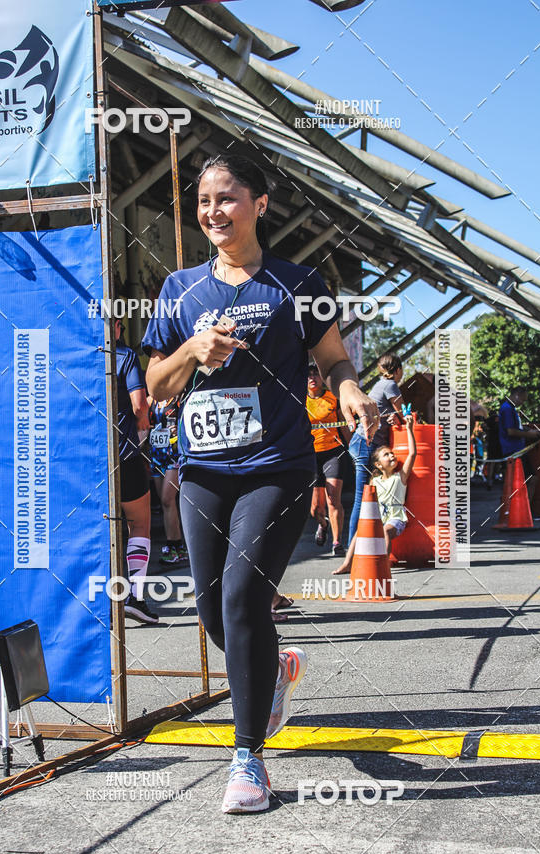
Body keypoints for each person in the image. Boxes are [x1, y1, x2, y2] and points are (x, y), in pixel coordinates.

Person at [142, 154, 378, 814]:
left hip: (278, 466)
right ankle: (274, 669)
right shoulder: (179, 290)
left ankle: (248, 759)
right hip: (204, 471)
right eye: (204, 201)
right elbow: (156, 384)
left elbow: (334, 360)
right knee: (213, 611)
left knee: (245, 598)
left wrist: (350, 391)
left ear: (260, 204)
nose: (212, 211)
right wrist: (192, 351)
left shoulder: (299, 284)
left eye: (227, 197)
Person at [338, 352, 404, 574]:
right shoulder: (390, 385)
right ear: (397, 370)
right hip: (366, 444)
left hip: (361, 443)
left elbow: (389, 414)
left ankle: (356, 550)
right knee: (362, 498)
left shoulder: (379, 384)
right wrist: (402, 417)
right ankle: (352, 553)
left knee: (366, 498)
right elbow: (404, 412)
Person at [114, 320, 159, 625]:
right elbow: (140, 406)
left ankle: (100, 600)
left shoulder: (76, 352)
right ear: (117, 325)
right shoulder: (125, 355)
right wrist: (143, 423)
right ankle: (135, 597)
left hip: (87, 459)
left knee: (98, 529)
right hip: (124, 453)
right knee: (139, 523)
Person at [334, 414, 416, 572]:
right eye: (386, 455)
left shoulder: (400, 477)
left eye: (392, 453)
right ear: (378, 464)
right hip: (380, 518)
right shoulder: (374, 481)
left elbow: (412, 454)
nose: (392, 455)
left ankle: (383, 564)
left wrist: (409, 429)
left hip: (396, 518)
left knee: (385, 531)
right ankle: (348, 563)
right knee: (359, 531)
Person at [306, 363, 347, 555]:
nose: (312, 378)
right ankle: (323, 524)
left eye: (316, 374)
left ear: (322, 378)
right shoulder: (301, 400)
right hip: (311, 455)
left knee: (333, 500)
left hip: (333, 452)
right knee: (315, 508)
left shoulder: (333, 398)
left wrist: (353, 448)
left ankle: (337, 543)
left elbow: (344, 424)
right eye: (309, 375)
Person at [148, 395, 188, 565]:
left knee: (167, 499)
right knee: (166, 504)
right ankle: (178, 547)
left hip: (174, 455)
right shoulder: (151, 400)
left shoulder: (178, 397)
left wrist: (179, 429)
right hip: (156, 455)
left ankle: (173, 545)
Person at [499, 387, 540, 509]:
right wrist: (530, 435)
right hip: (514, 450)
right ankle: (523, 511)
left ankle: (519, 510)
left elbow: (516, 428)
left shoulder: (509, 408)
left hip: (516, 450)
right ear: (517, 395)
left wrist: (528, 430)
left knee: (525, 481)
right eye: (523, 399)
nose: (522, 403)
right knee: (531, 480)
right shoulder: (507, 409)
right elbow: (511, 431)